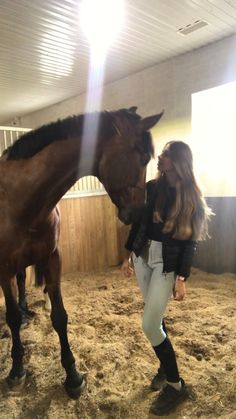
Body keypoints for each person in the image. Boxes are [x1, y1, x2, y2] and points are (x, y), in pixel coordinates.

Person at [121, 141, 212, 416]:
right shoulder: (152, 187)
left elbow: (190, 242)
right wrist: (127, 253)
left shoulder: (191, 196)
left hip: (166, 263)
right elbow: (139, 223)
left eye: (165, 155)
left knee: (149, 324)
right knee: (155, 319)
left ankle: (175, 385)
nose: (159, 157)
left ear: (178, 162)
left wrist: (182, 277)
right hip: (142, 255)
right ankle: (164, 368)